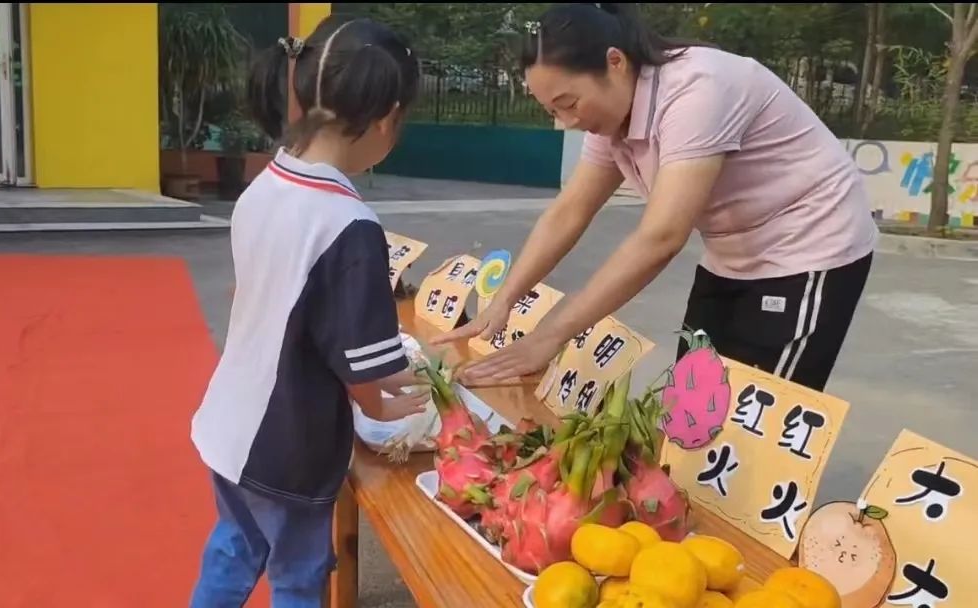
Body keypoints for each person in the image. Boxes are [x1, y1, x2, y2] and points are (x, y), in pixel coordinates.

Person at [437, 3, 877, 393]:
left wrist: (551, 336)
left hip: (811, 245)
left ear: (615, 62)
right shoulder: (610, 117)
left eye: (569, 102)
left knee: (755, 421)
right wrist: (503, 301)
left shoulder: (697, 89)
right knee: (694, 402)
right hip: (732, 251)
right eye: (553, 111)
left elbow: (662, 236)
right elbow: (569, 210)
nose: (567, 121)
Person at [188, 16, 426, 608]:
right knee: (299, 574)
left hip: (229, 423)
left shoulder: (264, 183)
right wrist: (389, 404)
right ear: (387, 118)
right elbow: (360, 366)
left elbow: (269, 300)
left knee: (233, 548)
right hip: (288, 442)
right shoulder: (349, 223)